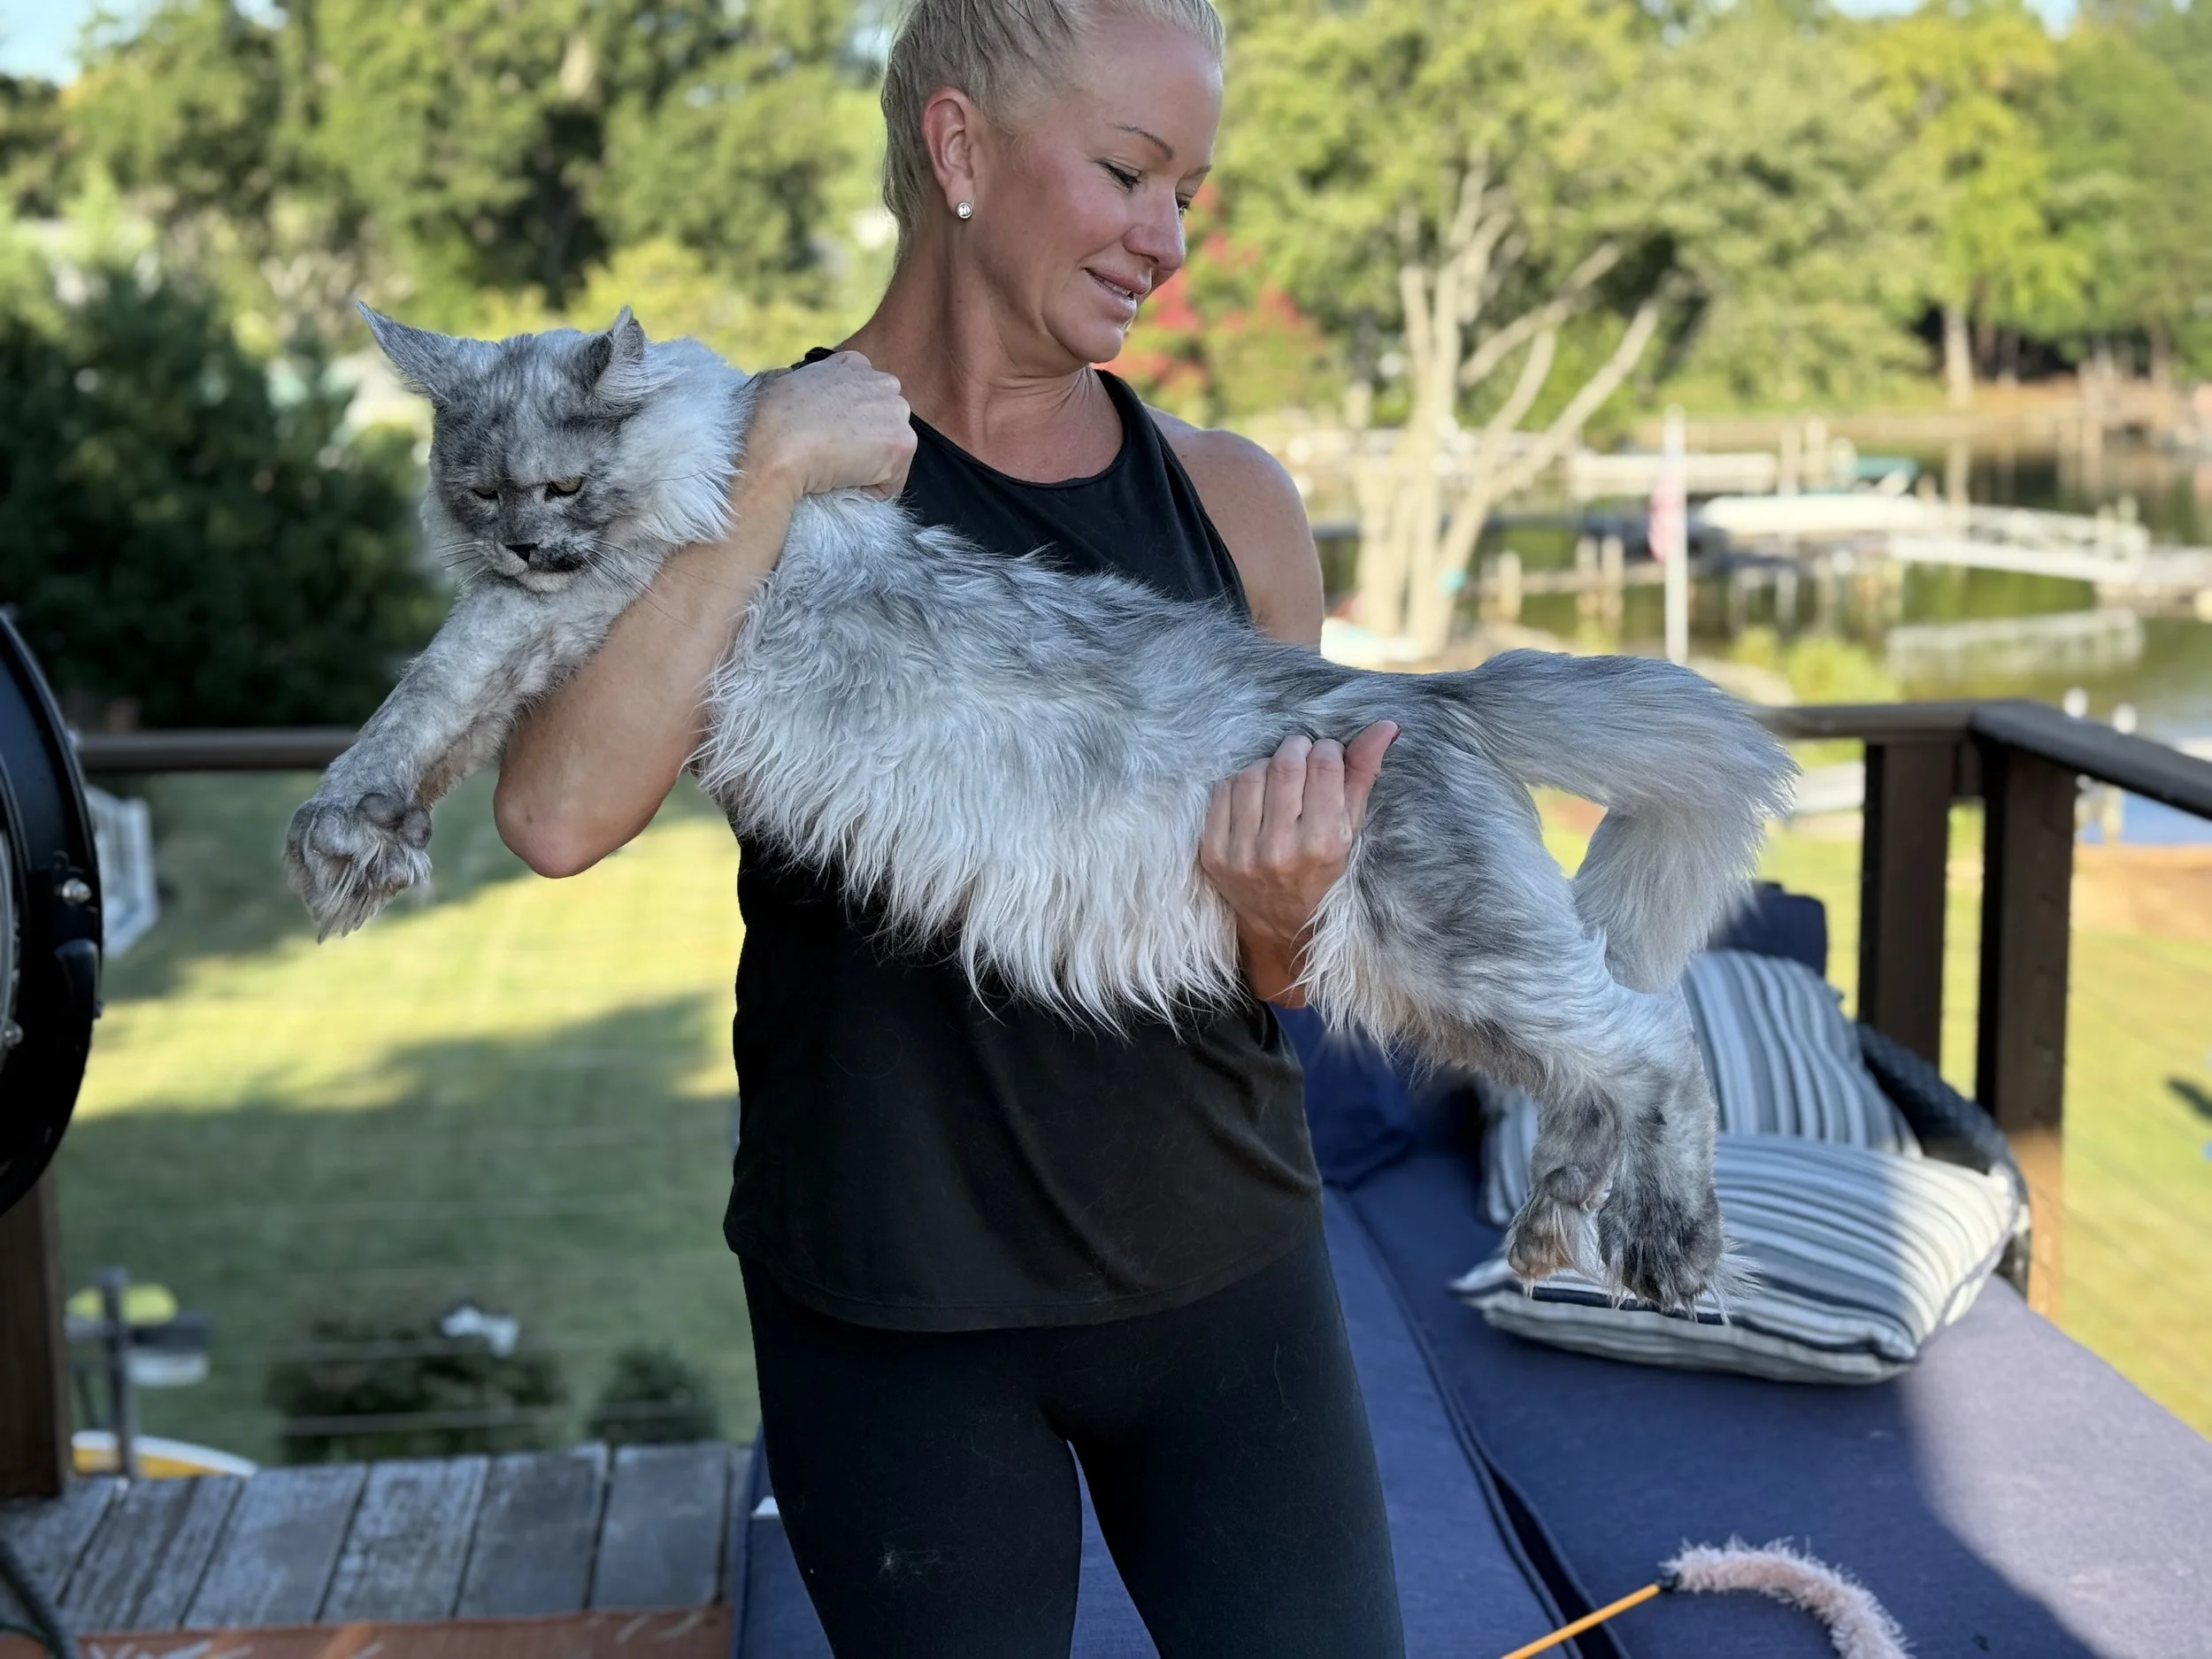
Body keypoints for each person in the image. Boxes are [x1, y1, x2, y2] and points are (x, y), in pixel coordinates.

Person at [494, 1, 1402, 1652]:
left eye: (1189, 189)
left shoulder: (1233, 507)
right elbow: (554, 813)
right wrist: (766, 481)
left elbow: (1292, 974)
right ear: (960, 149)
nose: (1169, 239)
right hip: (888, 1317)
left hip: (1222, 1280)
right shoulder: (730, 459)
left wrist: (1283, 910)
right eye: (1133, 172)